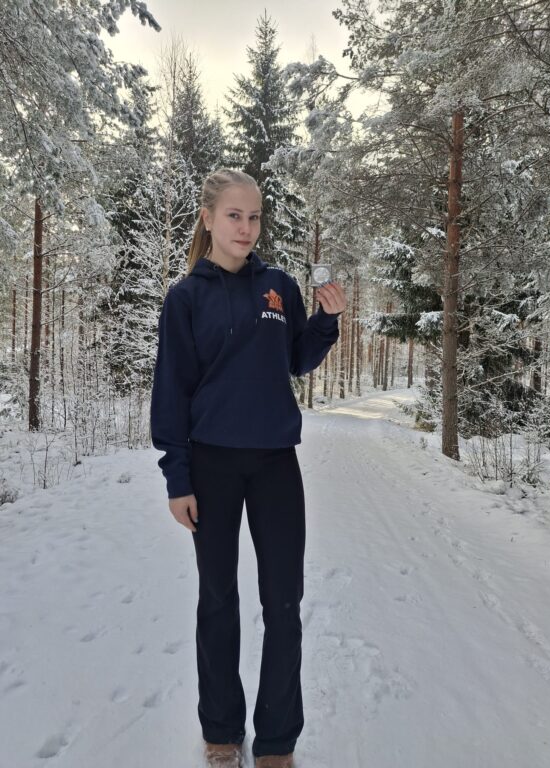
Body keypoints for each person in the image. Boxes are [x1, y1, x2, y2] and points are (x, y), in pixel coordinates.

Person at [150, 168, 346, 768]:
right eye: (234, 215)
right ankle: (221, 730)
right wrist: (177, 477)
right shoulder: (185, 299)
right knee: (218, 601)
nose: (245, 227)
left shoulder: (278, 287)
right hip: (211, 466)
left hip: (274, 466)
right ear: (208, 218)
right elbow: (172, 392)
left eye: (254, 216)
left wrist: (326, 321)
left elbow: (297, 359)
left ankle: (278, 739)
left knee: (284, 602)